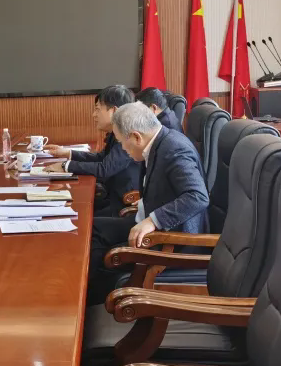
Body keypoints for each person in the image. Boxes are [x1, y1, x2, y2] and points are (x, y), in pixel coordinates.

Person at [87, 102, 209, 305]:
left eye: (122, 142)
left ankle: (90, 305)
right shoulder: (159, 140)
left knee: (103, 255)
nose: (123, 149)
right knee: (92, 228)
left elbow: (198, 196)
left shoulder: (174, 149)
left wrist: (153, 220)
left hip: (174, 240)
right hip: (152, 223)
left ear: (136, 137)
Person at [43, 85, 141, 216]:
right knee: (71, 206)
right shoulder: (119, 131)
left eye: (97, 109)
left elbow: (105, 168)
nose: (94, 115)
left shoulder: (128, 135)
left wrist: (65, 166)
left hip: (124, 205)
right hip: (112, 197)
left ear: (114, 111)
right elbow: (102, 158)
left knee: (77, 214)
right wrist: (67, 153)